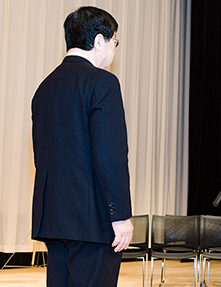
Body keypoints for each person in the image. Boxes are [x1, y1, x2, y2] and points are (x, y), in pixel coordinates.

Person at [31, 6, 133, 287]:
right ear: (99, 41)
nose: (114, 49)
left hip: (54, 218)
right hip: (92, 221)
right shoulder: (103, 83)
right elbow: (110, 156)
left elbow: (43, 154)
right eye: (114, 42)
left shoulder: (45, 87)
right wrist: (120, 215)